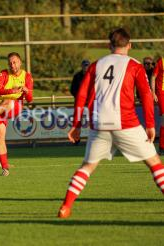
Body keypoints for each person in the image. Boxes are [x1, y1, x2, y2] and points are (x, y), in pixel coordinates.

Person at [58, 28, 164, 219]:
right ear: (129, 45)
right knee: (155, 163)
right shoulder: (135, 65)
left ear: (109, 45)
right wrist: (150, 124)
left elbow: (81, 94)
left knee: (87, 167)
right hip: (126, 123)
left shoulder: (96, 65)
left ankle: (66, 206)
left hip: (99, 124)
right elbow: (147, 95)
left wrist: (76, 125)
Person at [0, 52, 33, 176]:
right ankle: (5, 168)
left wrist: (26, 91)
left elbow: (30, 99)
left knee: (8, 101)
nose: (12, 65)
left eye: (14, 62)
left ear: (20, 62)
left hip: (15, 106)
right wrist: (11, 90)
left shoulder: (27, 76)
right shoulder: (3, 74)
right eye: (10, 63)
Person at [151, 56, 164, 154]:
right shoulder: (161, 61)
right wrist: (153, 92)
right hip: (162, 93)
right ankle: (162, 147)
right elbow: (153, 77)